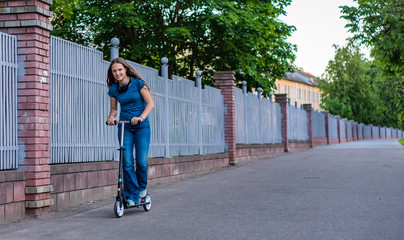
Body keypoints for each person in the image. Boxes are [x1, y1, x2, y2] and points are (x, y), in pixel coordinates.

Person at [106, 57, 154, 206]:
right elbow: (114, 109)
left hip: (141, 126)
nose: (117, 73)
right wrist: (111, 117)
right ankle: (132, 196)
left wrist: (140, 117)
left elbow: (150, 103)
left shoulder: (138, 84)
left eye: (120, 69)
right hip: (125, 126)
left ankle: (141, 190)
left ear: (125, 69)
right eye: (114, 71)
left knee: (141, 162)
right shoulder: (114, 89)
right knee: (126, 162)